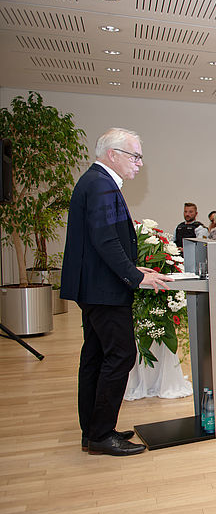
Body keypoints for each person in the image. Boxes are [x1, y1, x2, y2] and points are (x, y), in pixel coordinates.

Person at [60, 127, 172, 456]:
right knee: (121, 355)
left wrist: (135, 269)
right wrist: (133, 276)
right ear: (113, 154)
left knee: (96, 357)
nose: (139, 163)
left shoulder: (96, 182)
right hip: (104, 289)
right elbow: (105, 240)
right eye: (135, 156)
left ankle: (94, 429)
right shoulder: (102, 185)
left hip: (96, 286)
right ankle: (100, 434)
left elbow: (103, 239)